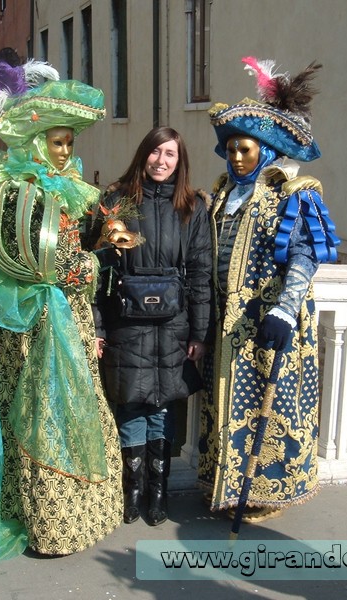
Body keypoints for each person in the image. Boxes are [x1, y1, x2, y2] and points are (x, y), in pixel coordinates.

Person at [0, 51, 122, 559]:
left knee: (54, 412)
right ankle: (51, 526)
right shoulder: (28, 194)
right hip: (42, 326)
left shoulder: (40, 191)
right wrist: (97, 262)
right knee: (47, 415)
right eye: (58, 142)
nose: (65, 152)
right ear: (38, 143)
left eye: (69, 143)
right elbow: (55, 266)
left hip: (50, 322)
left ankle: (57, 520)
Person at [197, 57, 340, 523]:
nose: (238, 158)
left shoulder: (293, 194)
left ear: (266, 151)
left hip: (268, 321)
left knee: (265, 404)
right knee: (224, 403)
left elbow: (305, 254)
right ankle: (224, 487)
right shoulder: (221, 193)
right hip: (224, 322)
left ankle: (262, 493)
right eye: (233, 149)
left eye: (247, 150)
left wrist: (284, 308)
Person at [88, 127, 213, 526]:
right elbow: (99, 270)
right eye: (156, 152)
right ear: (143, 155)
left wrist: (199, 334)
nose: (162, 161)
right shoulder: (116, 201)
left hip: (173, 324)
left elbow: (199, 274)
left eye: (171, 155)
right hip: (126, 321)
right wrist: (98, 328)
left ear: (181, 161)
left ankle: (158, 493)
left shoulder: (192, 207)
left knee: (162, 403)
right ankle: (133, 489)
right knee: (131, 402)